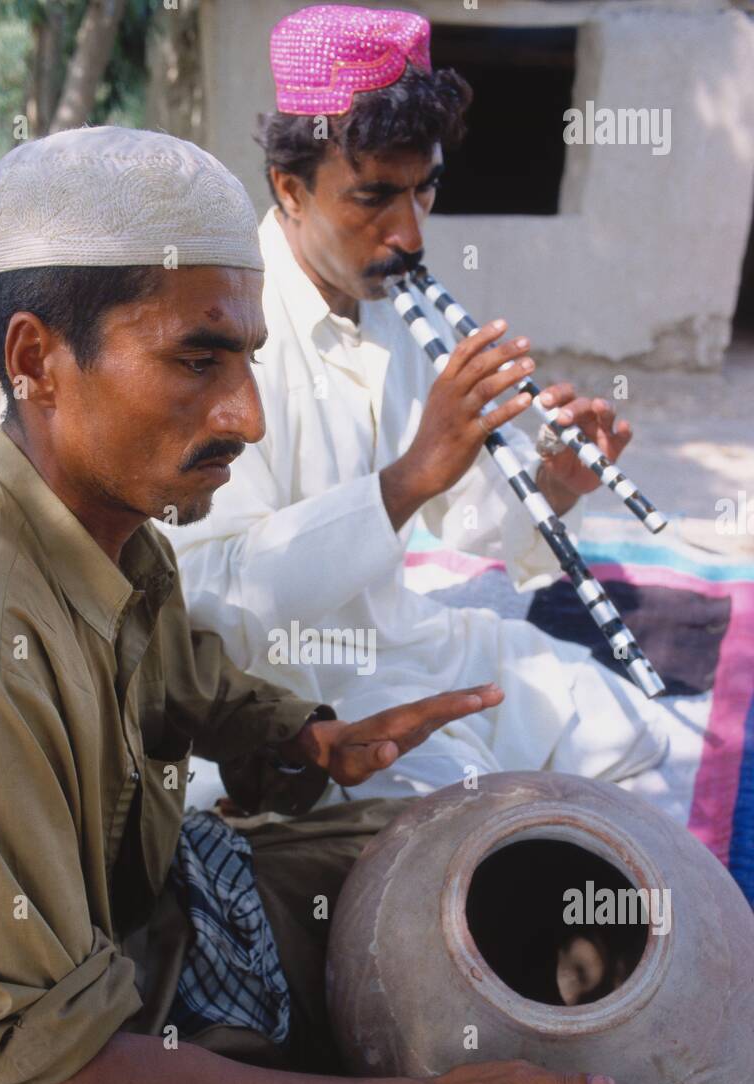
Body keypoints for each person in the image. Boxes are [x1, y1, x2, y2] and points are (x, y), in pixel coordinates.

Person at [0, 126, 687, 1084]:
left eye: (250, 361)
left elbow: (186, 678)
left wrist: (309, 741)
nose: (248, 415)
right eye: (199, 361)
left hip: (155, 934)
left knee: (482, 864)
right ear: (37, 359)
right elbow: (50, 1079)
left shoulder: (103, 532)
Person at [161, 4, 669, 803]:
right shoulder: (217, 338)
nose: (410, 234)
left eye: (424, 191)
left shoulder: (398, 306)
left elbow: (457, 520)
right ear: (289, 188)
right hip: (282, 693)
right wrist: (408, 479)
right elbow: (214, 605)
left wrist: (555, 487)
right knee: (438, 822)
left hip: (401, 639)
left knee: (627, 730)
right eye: (373, 199)